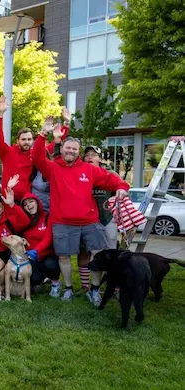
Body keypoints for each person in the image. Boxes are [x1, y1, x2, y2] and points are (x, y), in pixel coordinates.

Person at [32, 119, 130, 306]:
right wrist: (42, 135)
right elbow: (37, 158)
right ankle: (68, 289)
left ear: (78, 152)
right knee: (63, 256)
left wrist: (122, 186)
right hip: (62, 222)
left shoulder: (89, 169)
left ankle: (94, 289)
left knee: (98, 254)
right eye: (67, 148)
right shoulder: (52, 168)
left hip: (90, 221)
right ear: (62, 149)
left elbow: (110, 179)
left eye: (74, 149)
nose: (70, 151)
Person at [0, 96, 70, 202]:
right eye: (23, 139)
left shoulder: (35, 154)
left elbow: (55, 143)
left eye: (29, 139)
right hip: (8, 198)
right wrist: (0, 114)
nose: (26, 142)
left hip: (27, 202)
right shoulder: (8, 152)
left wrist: (66, 124)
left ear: (33, 140)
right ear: (18, 140)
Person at [75, 145, 119, 295]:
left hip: (107, 219)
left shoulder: (109, 173)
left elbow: (120, 191)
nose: (89, 157)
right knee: (84, 253)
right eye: (86, 155)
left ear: (99, 158)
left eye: (93, 155)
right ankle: (86, 285)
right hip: (85, 220)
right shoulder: (79, 174)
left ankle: (113, 286)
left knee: (111, 253)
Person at [19, 193, 61, 297]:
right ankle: (39, 280)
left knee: (51, 265)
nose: (28, 205)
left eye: (31, 201)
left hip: (46, 255)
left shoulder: (47, 217)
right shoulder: (24, 221)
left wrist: (35, 251)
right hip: (30, 258)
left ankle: (55, 284)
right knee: (33, 279)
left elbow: (48, 239)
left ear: (37, 202)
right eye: (25, 204)